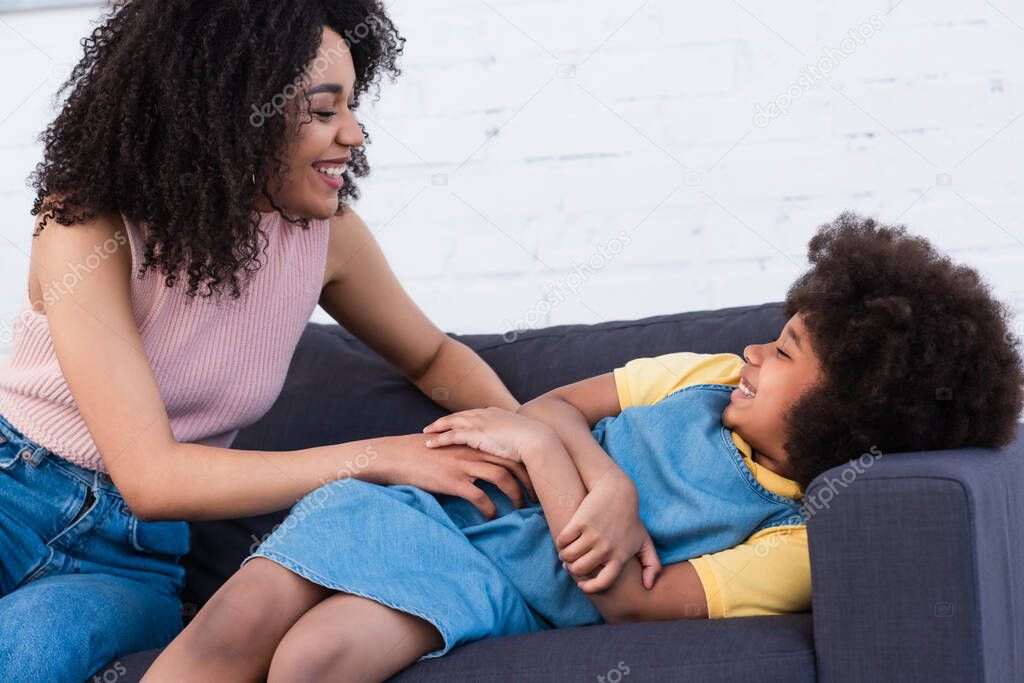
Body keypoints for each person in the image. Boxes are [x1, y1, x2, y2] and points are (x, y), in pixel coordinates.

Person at [144, 213, 1024, 682]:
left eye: (785, 352)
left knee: (314, 658)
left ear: (847, 415)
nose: (756, 350)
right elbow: (554, 406)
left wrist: (556, 467)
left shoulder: (796, 535)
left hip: (490, 581)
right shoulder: (706, 375)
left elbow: (637, 605)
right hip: (424, 501)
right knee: (237, 617)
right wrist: (599, 479)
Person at [0, 2, 532, 680]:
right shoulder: (86, 224)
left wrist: (533, 440)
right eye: (324, 110)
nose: (356, 133)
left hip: (131, 558)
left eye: (354, 106)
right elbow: (152, 475)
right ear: (228, 112)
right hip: (14, 488)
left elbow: (432, 356)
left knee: (28, 648)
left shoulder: (324, 238)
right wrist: (381, 456)